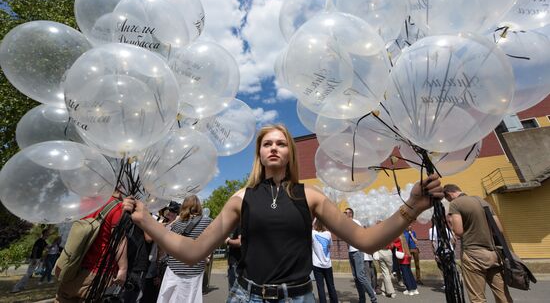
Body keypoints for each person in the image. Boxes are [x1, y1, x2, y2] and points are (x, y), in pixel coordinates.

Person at [123, 124, 443, 302]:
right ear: (260, 154)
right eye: (267, 144)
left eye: (281, 143)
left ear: (290, 151)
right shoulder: (240, 198)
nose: (274, 148)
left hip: (299, 297)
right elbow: (193, 251)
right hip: (246, 296)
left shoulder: (312, 197)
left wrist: (413, 206)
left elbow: (366, 240)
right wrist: (147, 220)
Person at [444, 184, 513, 303]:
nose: (449, 201)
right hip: (493, 254)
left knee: (477, 298)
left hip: (473, 255)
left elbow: (459, 231)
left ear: (450, 194)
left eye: (448, 199)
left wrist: (451, 224)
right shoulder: (482, 201)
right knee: (502, 294)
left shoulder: (455, 204)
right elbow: (499, 229)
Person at [54, 192, 127, 303]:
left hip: (73, 267)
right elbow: (119, 241)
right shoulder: (117, 206)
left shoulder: (86, 200)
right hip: (97, 272)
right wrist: (123, 269)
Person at [158, 195, 212, 303]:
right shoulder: (208, 222)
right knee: (189, 298)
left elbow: (168, 246)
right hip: (194, 269)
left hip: (173, 268)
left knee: (168, 298)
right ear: (198, 206)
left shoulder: (177, 224)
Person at [345, 208, 377, 303]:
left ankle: (373, 298)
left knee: (361, 276)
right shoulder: (346, 224)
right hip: (351, 252)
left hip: (357, 251)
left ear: (350, 214)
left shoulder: (355, 222)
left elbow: (360, 234)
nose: (343, 214)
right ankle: (362, 299)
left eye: (345, 213)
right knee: (356, 277)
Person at [11, 229, 50, 293]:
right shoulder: (39, 241)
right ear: (45, 233)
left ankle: (22, 286)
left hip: (37, 259)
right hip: (34, 259)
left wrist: (56, 243)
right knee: (28, 274)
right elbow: (35, 249)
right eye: (48, 233)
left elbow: (49, 247)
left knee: (29, 274)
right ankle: (15, 288)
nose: (49, 234)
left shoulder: (43, 241)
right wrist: (34, 259)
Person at [311, 218, 338, 303]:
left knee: (320, 287)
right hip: (327, 264)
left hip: (317, 265)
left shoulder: (313, 233)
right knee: (331, 286)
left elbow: (310, 227)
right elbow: (329, 246)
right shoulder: (328, 234)